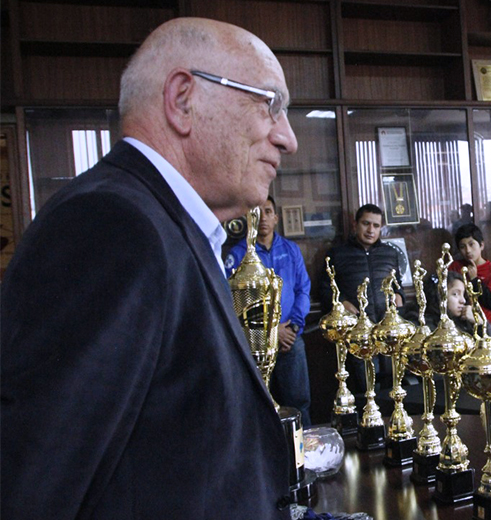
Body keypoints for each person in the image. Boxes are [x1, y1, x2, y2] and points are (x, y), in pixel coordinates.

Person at [1, 18, 298, 518]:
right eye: (269, 103)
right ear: (183, 99)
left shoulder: (168, 224)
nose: (287, 137)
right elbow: (38, 487)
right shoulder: (110, 227)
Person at [225, 196, 312, 424]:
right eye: (257, 212)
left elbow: (303, 290)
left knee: (299, 403)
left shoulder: (291, 250)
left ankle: (305, 454)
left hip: (290, 340)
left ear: (276, 218)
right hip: (254, 345)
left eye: (268, 211)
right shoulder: (237, 255)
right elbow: (230, 301)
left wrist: (293, 326)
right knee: (259, 408)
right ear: (248, 218)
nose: (263, 217)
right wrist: (273, 332)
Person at [319, 204, 404, 392]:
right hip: (357, 335)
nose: (370, 230)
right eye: (366, 224)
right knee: (365, 389)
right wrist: (341, 304)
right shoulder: (337, 254)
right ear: (355, 224)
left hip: (387, 332)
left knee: (393, 389)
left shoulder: (390, 253)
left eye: (376, 225)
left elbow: (397, 284)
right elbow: (325, 290)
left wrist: (399, 296)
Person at [448, 223, 491, 323]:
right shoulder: (454, 267)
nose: (468, 251)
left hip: (488, 322)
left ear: (481, 245)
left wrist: (474, 280)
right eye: (463, 247)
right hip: (461, 321)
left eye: (471, 244)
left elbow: (490, 303)